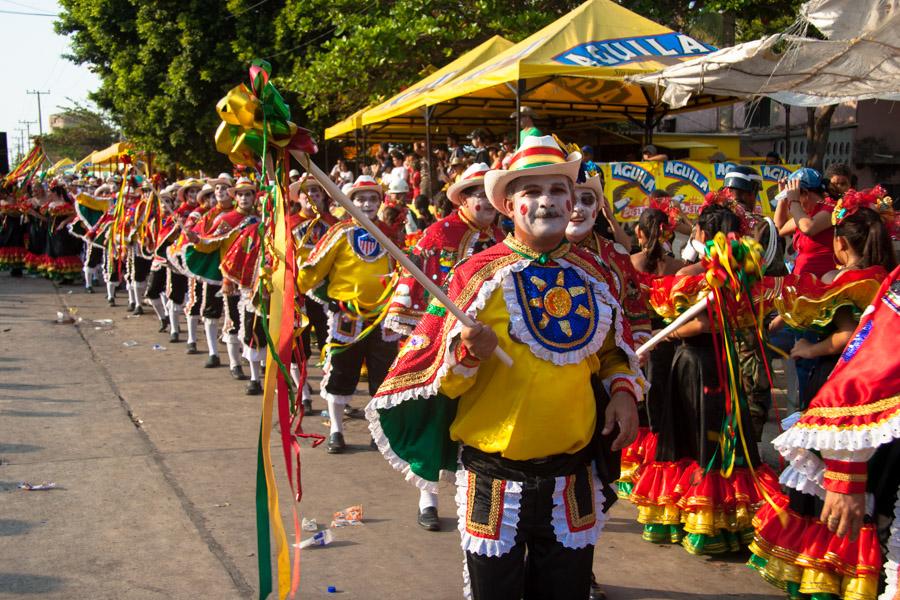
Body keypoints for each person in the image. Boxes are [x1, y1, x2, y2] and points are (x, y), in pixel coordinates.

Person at [368, 136, 644, 599]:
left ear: (573, 200)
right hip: (494, 477)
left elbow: (616, 350)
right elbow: (442, 379)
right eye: (532, 193)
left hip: (572, 475)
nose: (547, 202)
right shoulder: (476, 275)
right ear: (511, 206)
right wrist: (470, 352)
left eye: (557, 191)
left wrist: (622, 392)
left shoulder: (595, 274)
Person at [749, 190, 897, 599]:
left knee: (830, 485)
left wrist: (806, 348)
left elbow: (850, 341)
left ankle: (832, 569)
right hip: (867, 404)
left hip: (845, 392)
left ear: (841, 242)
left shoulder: (851, 282)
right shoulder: (886, 279)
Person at [630, 203, 780, 556]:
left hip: (694, 362)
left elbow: (698, 324)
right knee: (716, 431)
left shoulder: (696, 275)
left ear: (700, 234)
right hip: (723, 363)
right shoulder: (742, 275)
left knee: (695, 435)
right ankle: (728, 520)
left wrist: (669, 332)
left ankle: (699, 518)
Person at [297, 175, 400, 454]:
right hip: (347, 315)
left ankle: (378, 432)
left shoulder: (390, 234)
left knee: (384, 374)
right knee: (341, 371)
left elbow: (406, 272)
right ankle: (336, 431)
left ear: (380, 202)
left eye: (373, 198)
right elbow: (312, 268)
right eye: (360, 198)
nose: (367, 204)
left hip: (383, 318)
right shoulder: (340, 233)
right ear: (349, 202)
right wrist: (318, 294)